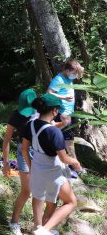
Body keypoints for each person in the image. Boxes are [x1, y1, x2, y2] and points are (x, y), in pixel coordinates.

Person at [22, 94, 81, 235]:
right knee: (71, 202)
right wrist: (76, 162)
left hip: (36, 167)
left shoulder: (30, 125)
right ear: (54, 111)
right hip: (53, 172)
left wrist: (31, 167)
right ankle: (45, 229)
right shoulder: (54, 132)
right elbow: (64, 158)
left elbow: (24, 149)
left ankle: (38, 227)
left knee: (39, 198)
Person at [2, 88, 38, 235]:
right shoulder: (16, 116)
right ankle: (14, 222)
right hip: (24, 152)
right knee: (27, 190)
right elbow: (6, 140)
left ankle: (39, 226)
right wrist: (5, 164)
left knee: (40, 191)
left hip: (41, 152)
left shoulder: (41, 113)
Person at [47, 58, 84, 179]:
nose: (75, 76)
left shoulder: (68, 78)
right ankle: (73, 166)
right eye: (74, 73)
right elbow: (49, 93)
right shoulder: (58, 79)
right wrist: (63, 97)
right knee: (67, 141)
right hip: (62, 115)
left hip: (69, 114)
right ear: (68, 70)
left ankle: (71, 165)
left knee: (68, 140)